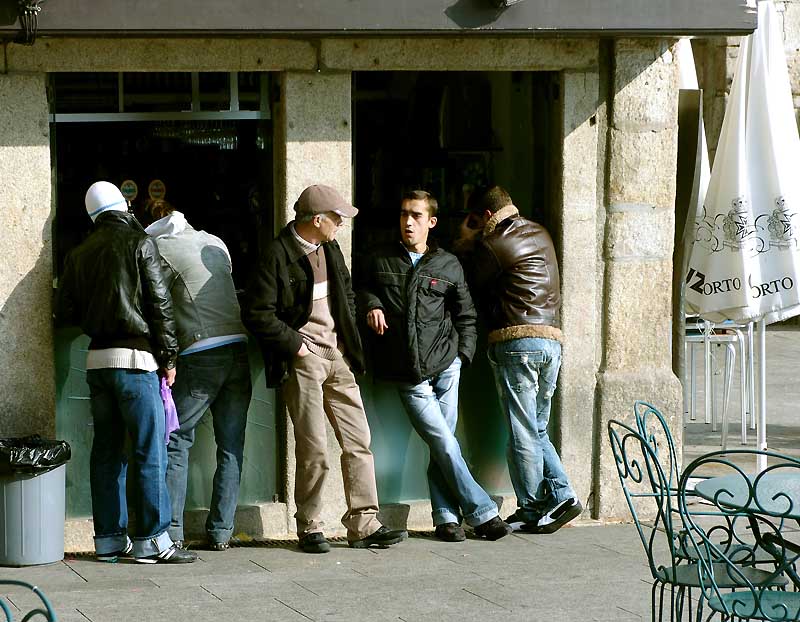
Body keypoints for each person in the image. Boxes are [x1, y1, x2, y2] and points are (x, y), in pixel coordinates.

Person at [242, 184, 407, 553]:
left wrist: (347, 344)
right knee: (313, 446)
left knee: (359, 441)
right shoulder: (277, 255)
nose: (340, 224)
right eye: (336, 218)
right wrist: (296, 345)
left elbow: (345, 294)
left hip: (338, 356)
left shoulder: (329, 248)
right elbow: (256, 313)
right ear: (317, 220)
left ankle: (364, 523)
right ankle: (310, 525)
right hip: (303, 359)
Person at [358, 190, 512, 542]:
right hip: (408, 371)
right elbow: (361, 289)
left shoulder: (447, 264)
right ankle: (482, 512)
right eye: (402, 215)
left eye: (415, 215)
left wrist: (462, 356)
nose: (407, 222)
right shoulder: (380, 258)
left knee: (442, 444)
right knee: (444, 441)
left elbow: (466, 314)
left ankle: (445, 518)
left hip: (446, 366)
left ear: (431, 222)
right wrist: (371, 305)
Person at [55, 181, 196, 564]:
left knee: (106, 453)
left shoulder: (78, 253)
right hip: (136, 361)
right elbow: (159, 303)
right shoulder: (139, 243)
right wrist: (169, 358)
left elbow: (63, 310)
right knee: (150, 451)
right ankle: (154, 539)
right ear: (124, 207)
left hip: (97, 362)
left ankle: (109, 540)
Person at [454, 185, 582, 534]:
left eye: (475, 221)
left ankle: (542, 501)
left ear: (484, 217)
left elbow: (468, 280)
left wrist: (467, 238)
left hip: (518, 343)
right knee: (535, 427)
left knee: (523, 429)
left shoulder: (494, 244)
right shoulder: (539, 232)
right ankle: (550, 500)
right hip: (549, 342)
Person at [143, 199, 252, 552]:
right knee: (231, 447)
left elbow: (152, 299)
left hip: (200, 350)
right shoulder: (214, 241)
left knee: (177, 440)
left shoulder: (156, 247)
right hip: (238, 347)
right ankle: (221, 530)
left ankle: (172, 530)